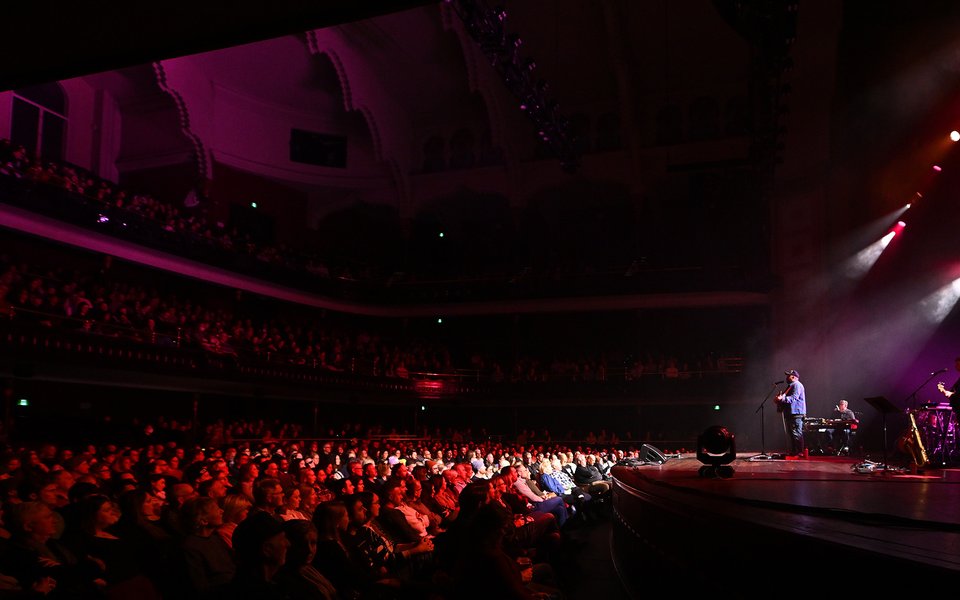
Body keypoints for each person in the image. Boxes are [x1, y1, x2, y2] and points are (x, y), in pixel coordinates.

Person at [776, 369, 807, 456]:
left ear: (793, 377)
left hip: (796, 413)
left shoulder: (796, 385)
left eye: (788, 376)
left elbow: (794, 397)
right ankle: (795, 451)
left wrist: (782, 398)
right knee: (792, 433)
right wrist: (779, 400)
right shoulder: (790, 386)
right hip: (791, 413)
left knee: (796, 432)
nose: (786, 377)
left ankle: (799, 452)